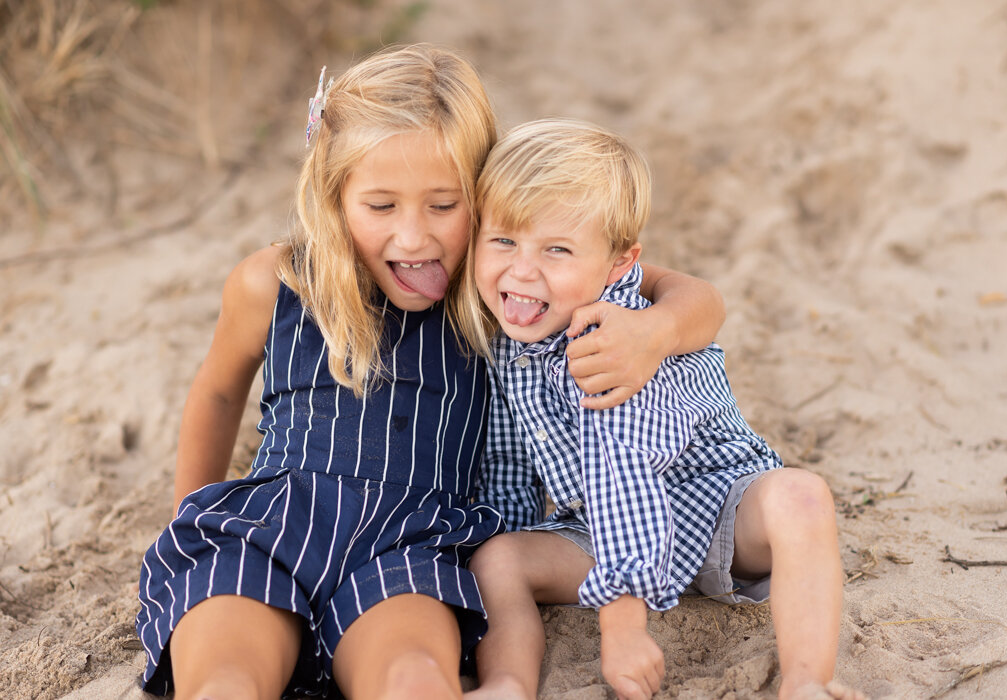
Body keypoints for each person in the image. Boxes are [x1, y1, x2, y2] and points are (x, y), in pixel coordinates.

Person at [135, 47, 727, 700]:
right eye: (381, 206)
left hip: (411, 549)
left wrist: (655, 331)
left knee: (415, 682)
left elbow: (699, 300)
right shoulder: (276, 282)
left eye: (443, 205)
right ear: (335, 196)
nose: (413, 238)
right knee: (223, 684)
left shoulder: (511, 290)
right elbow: (218, 392)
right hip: (271, 531)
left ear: (488, 195)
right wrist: (185, 525)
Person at [460, 119, 865, 700]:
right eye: (503, 241)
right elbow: (507, 455)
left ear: (619, 265)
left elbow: (621, 475)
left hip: (714, 507)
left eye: (557, 249)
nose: (522, 270)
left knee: (800, 497)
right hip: (598, 528)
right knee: (498, 560)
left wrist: (623, 628)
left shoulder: (607, 341)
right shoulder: (511, 336)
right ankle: (508, 683)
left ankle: (807, 680)